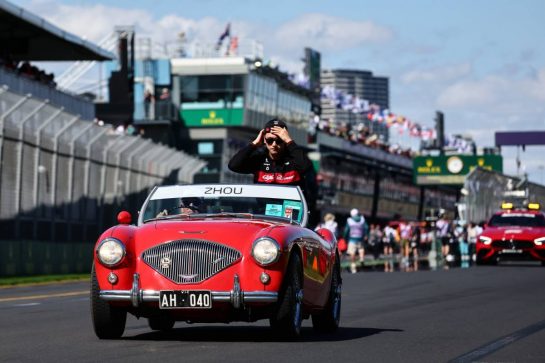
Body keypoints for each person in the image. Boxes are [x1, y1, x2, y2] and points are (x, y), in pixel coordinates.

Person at [228, 119, 312, 194]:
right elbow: (233, 166)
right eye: (270, 140)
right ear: (264, 140)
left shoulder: (295, 159)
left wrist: (289, 141)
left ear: (284, 141)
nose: (274, 145)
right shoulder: (259, 160)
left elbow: (307, 167)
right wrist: (254, 144)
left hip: (290, 209)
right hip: (263, 210)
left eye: (279, 140)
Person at [344, 208, 367, 273]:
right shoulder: (362, 219)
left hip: (352, 239)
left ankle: (353, 267)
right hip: (360, 238)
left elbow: (346, 230)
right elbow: (366, 227)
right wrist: (365, 235)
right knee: (361, 249)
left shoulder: (349, 220)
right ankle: (361, 258)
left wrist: (344, 237)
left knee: (352, 253)